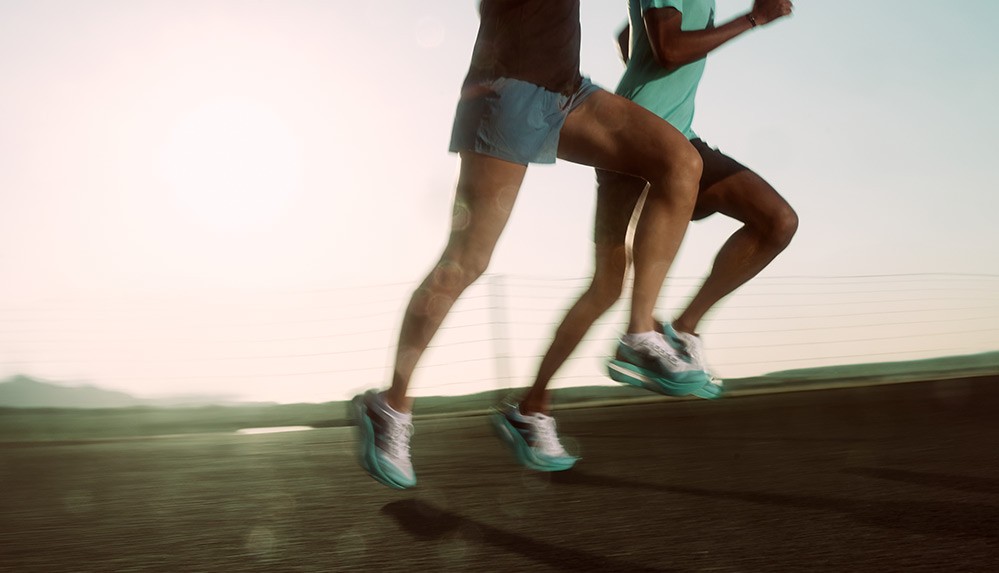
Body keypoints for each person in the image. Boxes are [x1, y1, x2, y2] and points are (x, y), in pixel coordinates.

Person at [353, 0, 713, 490]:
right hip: (508, 89)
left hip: (567, 90)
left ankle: (640, 334)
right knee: (465, 261)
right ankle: (390, 406)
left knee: (680, 162)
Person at [493, 0, 800, 472]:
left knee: (777, 221)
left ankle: (683, 329)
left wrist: (650, 62)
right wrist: (754, 19)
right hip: (631, 140)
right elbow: (670, 47)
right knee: (606, 287)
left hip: (679, 136)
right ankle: (533, 406)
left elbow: (631, 37)